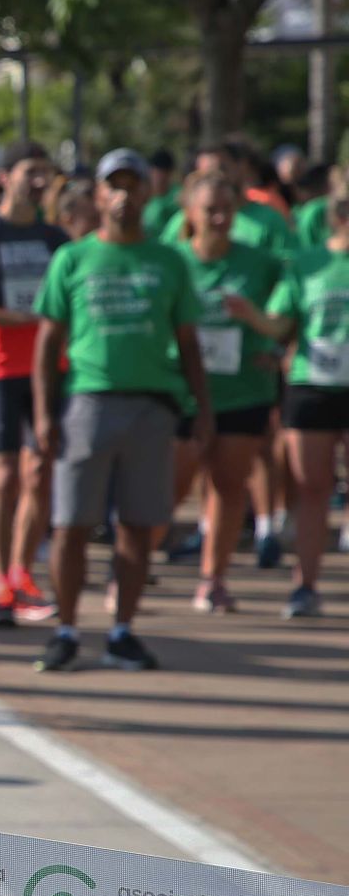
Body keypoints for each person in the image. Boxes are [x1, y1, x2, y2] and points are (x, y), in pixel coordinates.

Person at [32, 149, 213, 672]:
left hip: (152, 406)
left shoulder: (168, 260)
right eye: (115, 185)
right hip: (88, 402)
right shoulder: (74, 258)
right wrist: (45, 414)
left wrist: (202, 409)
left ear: (147, 194)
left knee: (139, 524)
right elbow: (48, 342)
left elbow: (188, 339)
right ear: (99, 194)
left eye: (134, 186)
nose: (124, 195)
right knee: (71, 523)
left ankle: (121, 630)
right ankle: (66, 629)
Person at [0, 141, 69, 628]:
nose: (39, 182)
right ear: (6, 177)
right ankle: (0, 581)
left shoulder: (55, 237)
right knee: (2, 476)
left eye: (45, 173)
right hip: (1, 365)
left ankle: (22, 574)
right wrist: (17, 318)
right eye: (31, 172)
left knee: (40, 472)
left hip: (49, 367)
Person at [170, 172, 283, 612]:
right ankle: (128, 571)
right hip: (181, 393)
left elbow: (289, 313)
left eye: (226, 211)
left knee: (228, 486)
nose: (219, 219)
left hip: (243, 390)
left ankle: (212, 579)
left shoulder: (260, 263)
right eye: (210, 210)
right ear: (190, 214)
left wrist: (273, 343)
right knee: (168, 490)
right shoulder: (172, 261)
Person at [251, 182, 349, 618]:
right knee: (312, 489)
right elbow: (279, 322)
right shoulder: (308, 264)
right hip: (313, 385)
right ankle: (305, 586)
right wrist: (250, 316)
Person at [159, 143, 297, 259]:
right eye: (206, 174)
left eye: (222, 169)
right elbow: (165, 263)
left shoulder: (269, 220)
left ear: (241, 167)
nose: (216, 178)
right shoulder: (183, 221)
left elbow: (287, 268)